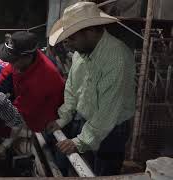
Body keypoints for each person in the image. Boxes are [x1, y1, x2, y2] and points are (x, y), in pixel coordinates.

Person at [47, 2, 136, 176]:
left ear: (90, 31)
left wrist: (80, 141)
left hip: (111, 129)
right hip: (85, 119)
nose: (67, 44)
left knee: (102, 173)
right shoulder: (81, 54)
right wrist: (63, 118)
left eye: (71, 38)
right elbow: (72, 89)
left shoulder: (117, 58)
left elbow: (107, 111)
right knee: (79, 167)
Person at [0, 31, 65, 133]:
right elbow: (5, 77)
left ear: (28, 57)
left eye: (13, 60)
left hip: (46, 123)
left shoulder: (44, 77)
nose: (11, 64)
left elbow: (20, 111)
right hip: (28, 112)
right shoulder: (21, 60)